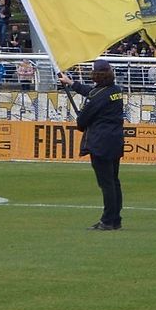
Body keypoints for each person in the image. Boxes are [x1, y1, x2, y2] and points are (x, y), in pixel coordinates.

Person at [58, 60, 124, 230]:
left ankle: (108, 220)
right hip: (115, 141)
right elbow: (92, 92)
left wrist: (82, 115)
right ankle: (115, 218)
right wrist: (72, 84)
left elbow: (81, 122)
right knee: (114, 181)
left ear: (95, 75)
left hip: (100, 143)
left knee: (106, 183)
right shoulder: (115, 91)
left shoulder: (96, 98)